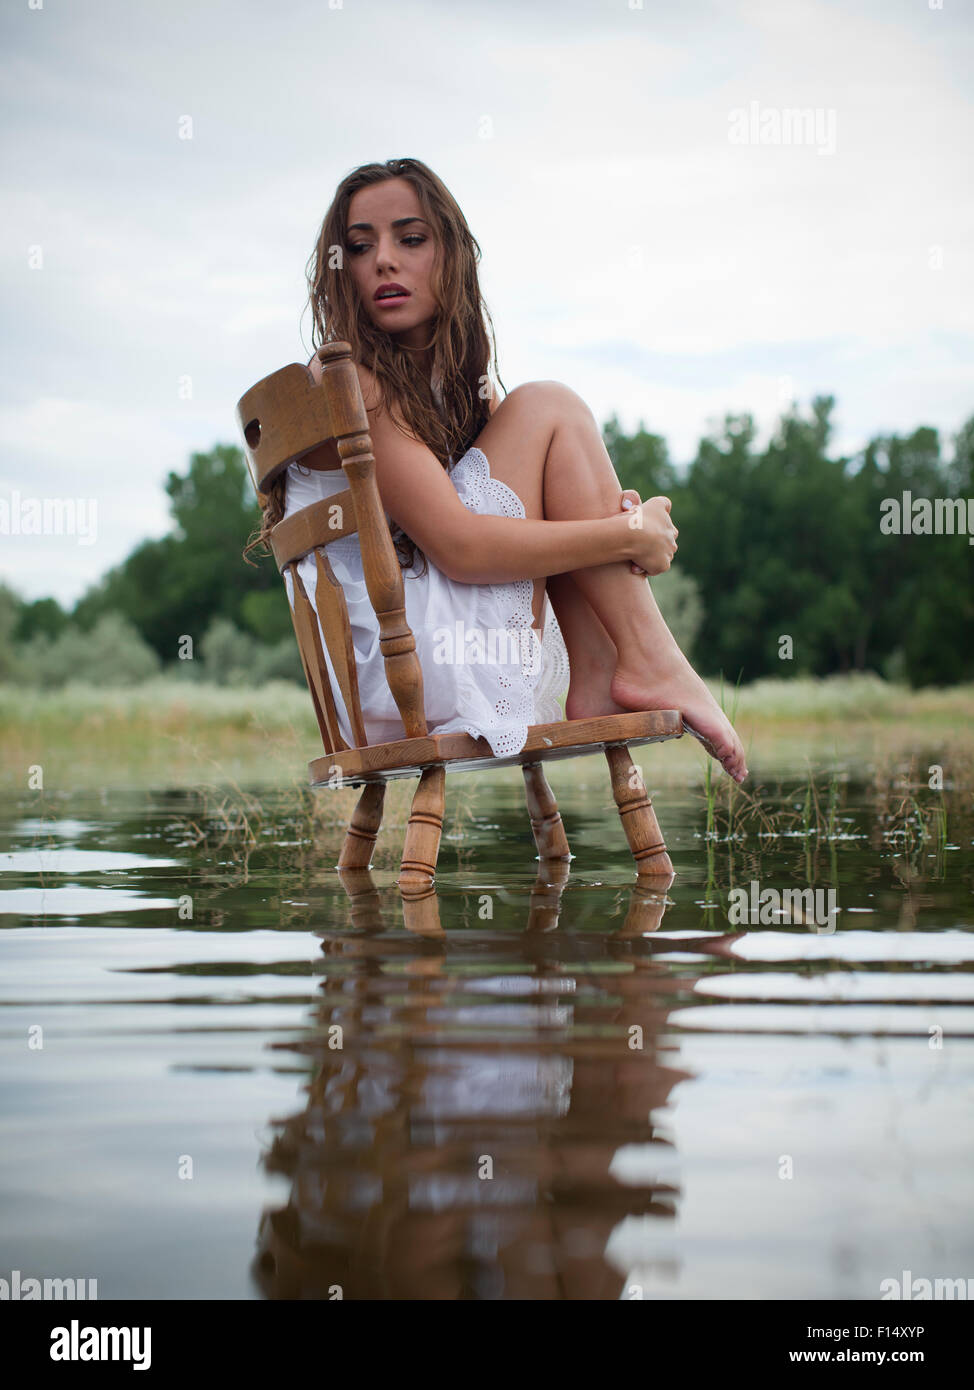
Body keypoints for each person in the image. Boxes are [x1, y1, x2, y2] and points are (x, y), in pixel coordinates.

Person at [254, 157, 747, 782]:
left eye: (410, 239)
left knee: (547, 423)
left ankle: (601, 673)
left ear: (451, 256)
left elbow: (512, 518)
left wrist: (595, 516)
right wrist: (627, 535)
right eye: (359, 246)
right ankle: (652, 661)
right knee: (551, 404)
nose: (382, 260)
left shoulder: (452, 388)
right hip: (401, 670)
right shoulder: (350, 383)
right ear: (340, 268)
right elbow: (460, 547)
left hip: (415, 662)